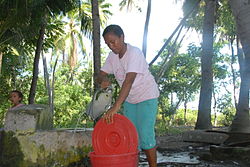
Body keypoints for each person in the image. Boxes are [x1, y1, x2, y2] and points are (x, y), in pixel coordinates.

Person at [97, 24, 159, 167]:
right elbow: (100, 74)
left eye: (113, 41)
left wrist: (116, 106)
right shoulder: (112, 57)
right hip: (130, 99)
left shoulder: (134, 53)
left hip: (147, 96)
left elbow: (129, 81)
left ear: (122, 37)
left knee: (145, 134)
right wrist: (103, 79)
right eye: (108, 44)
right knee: (130, 137)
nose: (111, 46)